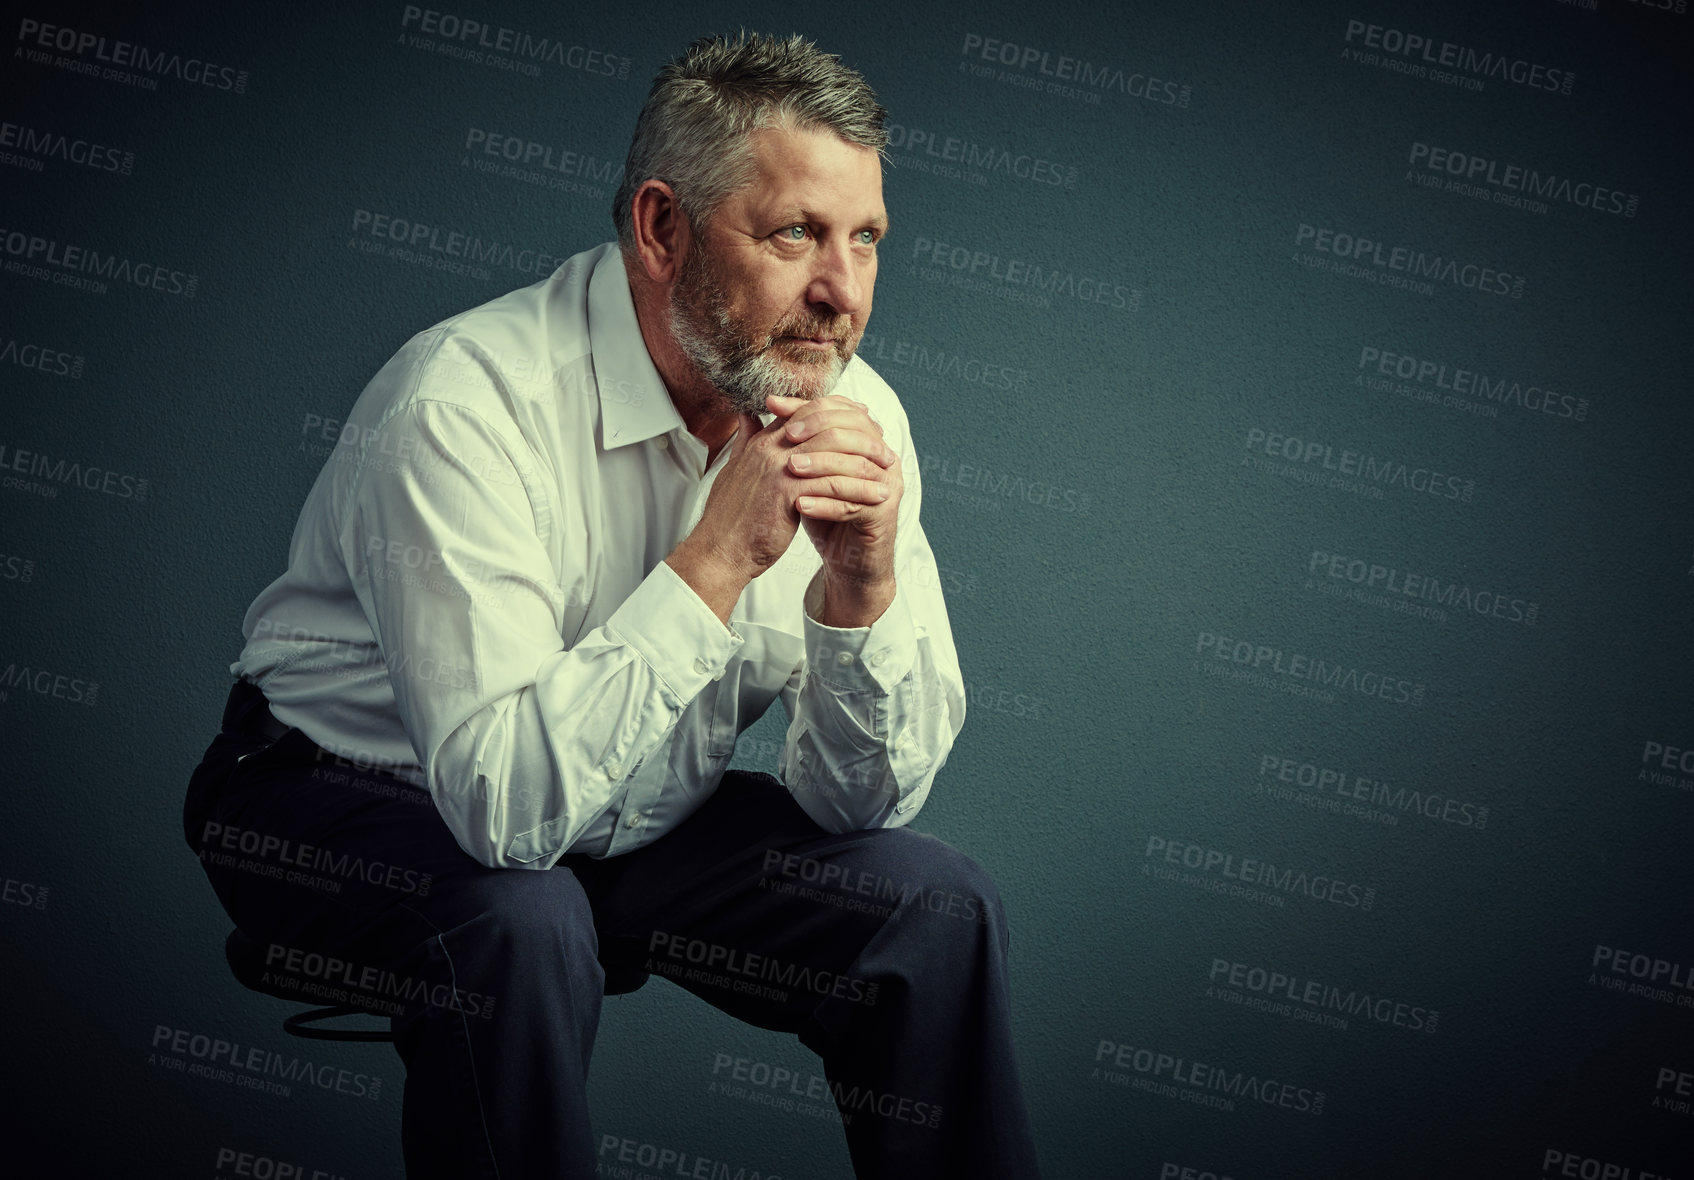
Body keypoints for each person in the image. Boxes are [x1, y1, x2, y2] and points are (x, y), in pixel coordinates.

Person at [183, 31, 1041, 1179]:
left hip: (631, 807)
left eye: (865, 240)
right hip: (344, 796)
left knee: (933, 903)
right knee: (522, 921)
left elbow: (860, 806)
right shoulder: (463, 399)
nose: (840, 294)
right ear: (659, 228)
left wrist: (860, 586)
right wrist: (716, 560)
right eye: (795, 234)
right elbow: (501, 813)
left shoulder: (851, 410)